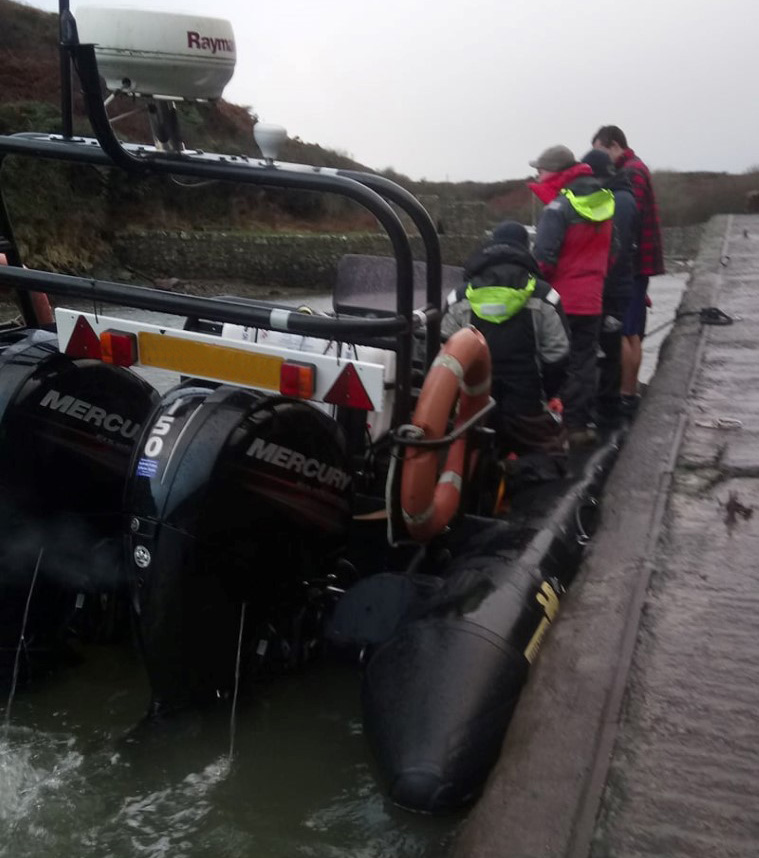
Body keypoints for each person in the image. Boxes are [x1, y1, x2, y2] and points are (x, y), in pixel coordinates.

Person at [442, 220, 570, 470]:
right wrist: (550, 391)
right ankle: (506, 474)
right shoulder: (545, 295)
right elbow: (557, 354)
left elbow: (441, 350)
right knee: (556, 460)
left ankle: (476, 473)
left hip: (473, 408)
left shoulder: (458, 295)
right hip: (526, 405)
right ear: (526, 248)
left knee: (463, 452)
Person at [528, 145, 615, 445]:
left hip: (561, 300)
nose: (537, 175)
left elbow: (543, 260)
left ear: (553, 171)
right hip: (592, 299)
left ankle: (553, 423)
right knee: (584, 361)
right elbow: (613, 251)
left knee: (554, 360)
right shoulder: (606, 203)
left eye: (540, 170)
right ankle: (579, 424)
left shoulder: (558, 208)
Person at [591, 126, 664, 414]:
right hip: (640, 263)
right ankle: (629, 392)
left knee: (624, 332)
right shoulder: (638, 168)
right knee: (632, 331)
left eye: (600, 150)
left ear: (613, 146)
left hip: (631, 266)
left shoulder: (630, 174)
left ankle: (625, 393)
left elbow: (625, 223)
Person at [580, 149, 640, 424]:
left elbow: (617, 247)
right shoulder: (620, 196)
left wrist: (598, 276)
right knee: (611, 343)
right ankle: (611, 401)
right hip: (615, 284)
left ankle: (612, 406)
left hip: (614, 286)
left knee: (613, 344)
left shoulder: (621, 201)